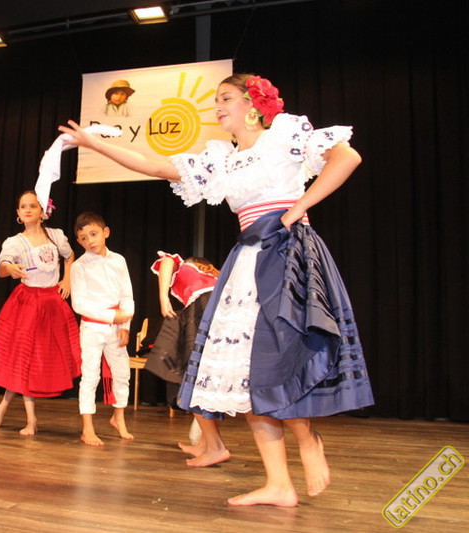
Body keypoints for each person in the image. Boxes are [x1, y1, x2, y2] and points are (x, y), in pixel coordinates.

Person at [59, 73, 374, 505]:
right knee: (245, 371)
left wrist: (298, 208)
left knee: (282, 358)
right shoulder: (221, 159)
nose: (218, 106)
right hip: (247, 260)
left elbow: (347, 157)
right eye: (215, 100)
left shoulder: (283, 135)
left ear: (253, 103)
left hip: (285, 255)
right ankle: (279, 484)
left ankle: (308, 440)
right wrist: (95, 145)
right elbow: (155, 165)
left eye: (226, 98)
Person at [0, 191, 81, 435]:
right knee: (22, 357)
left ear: (42, 211)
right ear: (18, 213)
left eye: (33, 206)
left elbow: (69, 256)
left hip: (51, 303)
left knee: (35, 361)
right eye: (23, 206)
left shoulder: (56, 236)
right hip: (27, 303)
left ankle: (7, 409)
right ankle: (28, 417)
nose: (27, 210)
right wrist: (10, 269)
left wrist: (67, 279)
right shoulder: (15, 242)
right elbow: (2, 268)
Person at [145, 253, 228, 466]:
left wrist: (163, 297)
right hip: (219, 315)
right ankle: (205, 444)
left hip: (203, 310)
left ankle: (215, 447)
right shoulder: (217, 281)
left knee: (193, 378)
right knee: (204, 380)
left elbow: (167, 261)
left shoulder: (187, 269)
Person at [71, 212, 135, 446]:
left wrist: (124, 324)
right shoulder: (79, 266)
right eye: (84, 238)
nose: (90, 241)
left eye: (94, 234)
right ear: (79, 241)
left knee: (122, 373)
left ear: (105, 232)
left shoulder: (118, 260)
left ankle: (118, 417)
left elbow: (126, 294)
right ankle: (87, 428)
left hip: (116, 326)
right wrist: (111, 316)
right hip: (93, 327)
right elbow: (79, 304)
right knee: (90, 375)